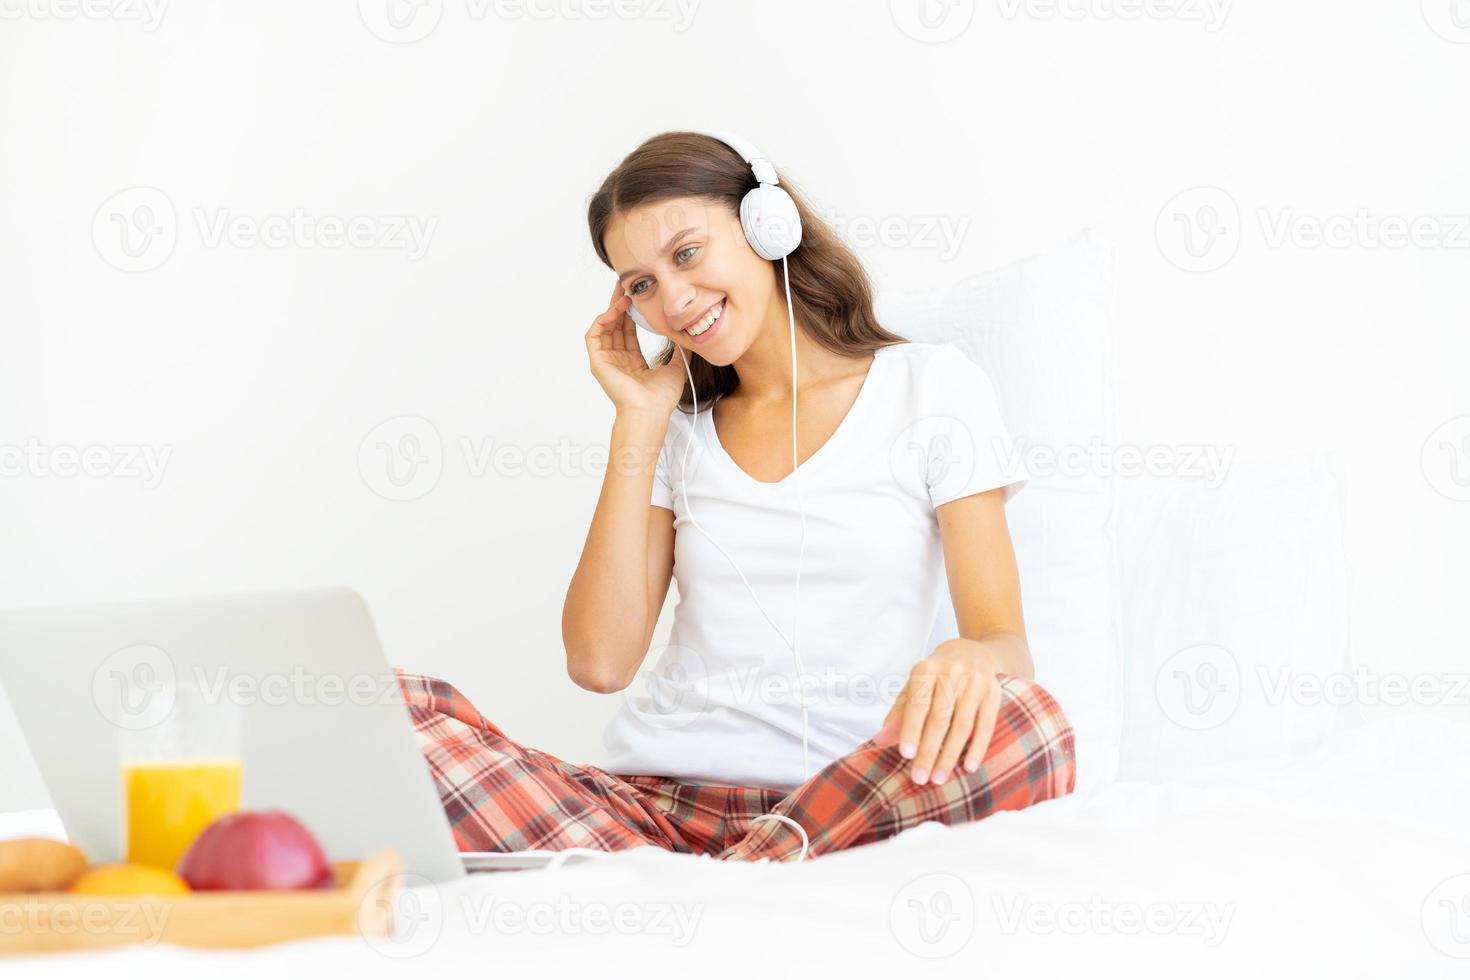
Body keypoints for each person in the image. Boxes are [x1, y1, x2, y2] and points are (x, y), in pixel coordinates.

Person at [397, 131, 1075, 863]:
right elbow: (600, 663)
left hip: (850, 798)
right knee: (384, 710)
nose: (674, 301)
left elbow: (1005, 642)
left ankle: (704, 890)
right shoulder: (672, 432)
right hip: (648, 810)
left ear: (767, 226)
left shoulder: (932, 387)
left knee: (1030, 726)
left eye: (686, 254)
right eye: (641, 285)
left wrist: (970, 660)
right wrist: (640, 420)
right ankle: (735, 887)